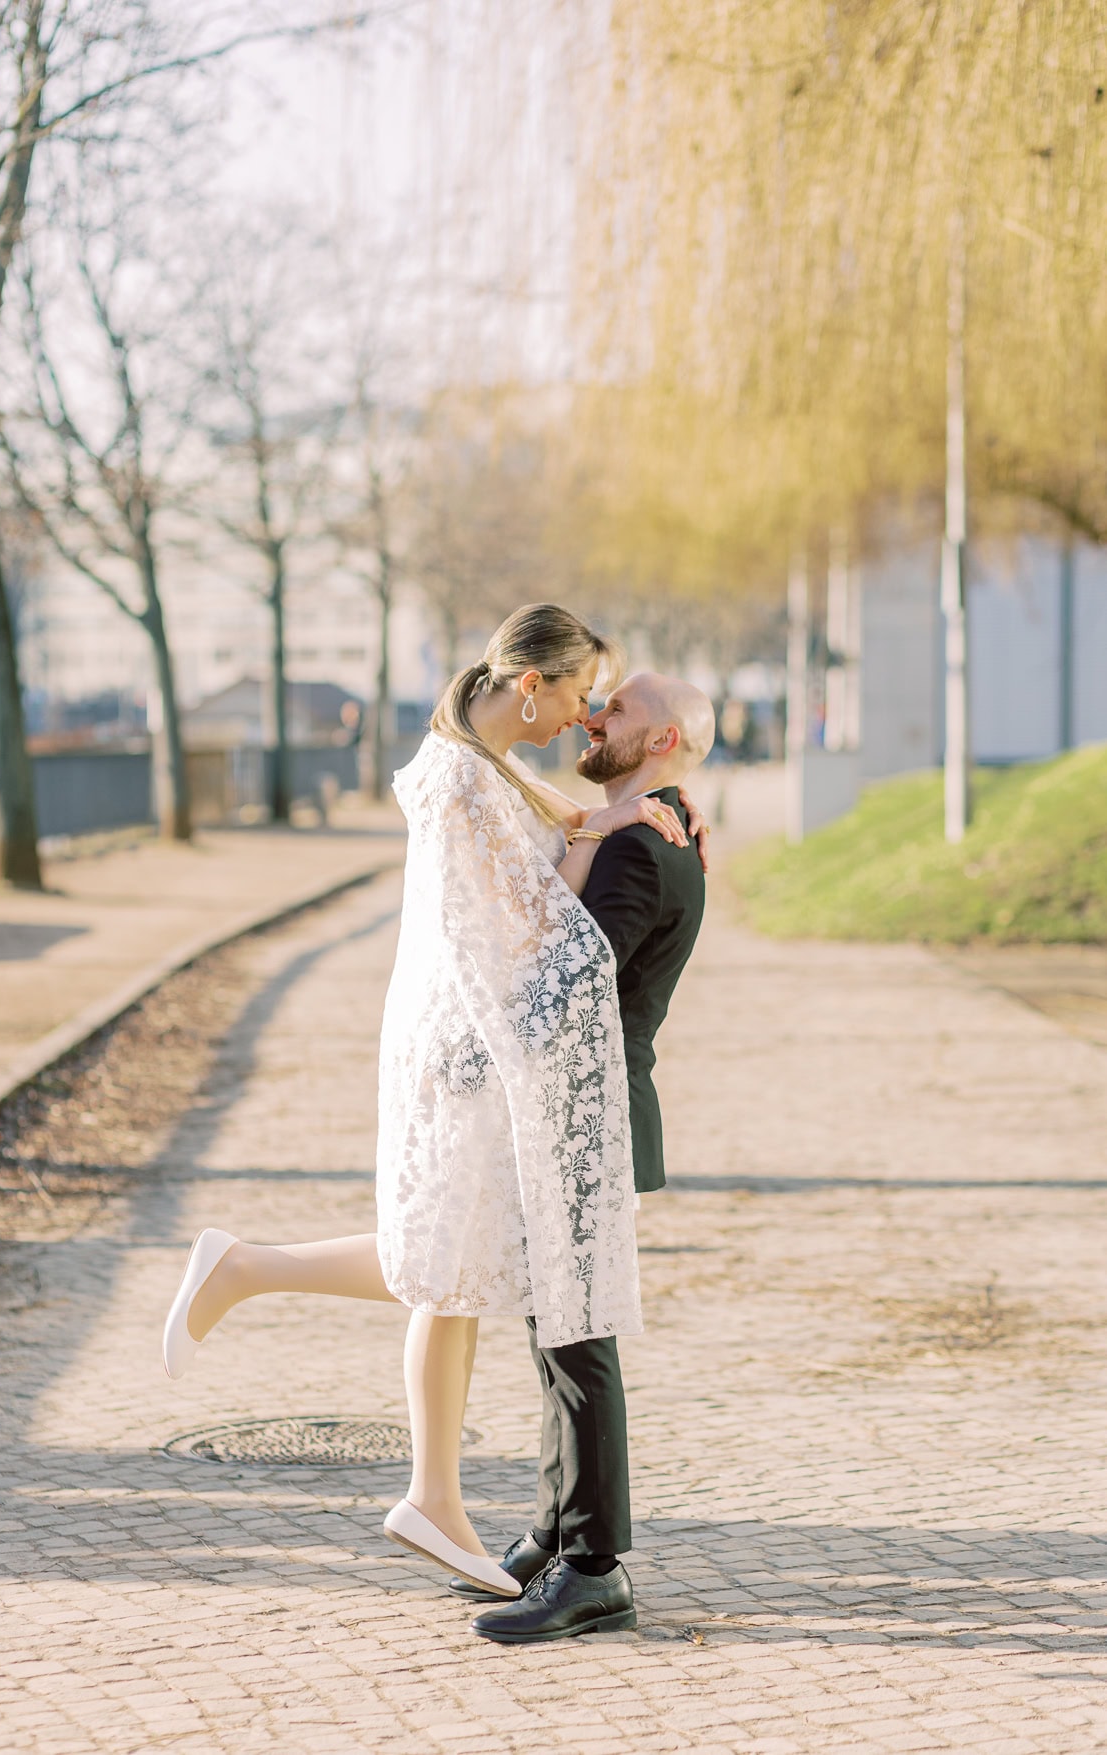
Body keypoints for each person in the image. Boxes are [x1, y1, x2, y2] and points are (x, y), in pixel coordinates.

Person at [161, 606, 710, 1602]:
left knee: (453, 1256)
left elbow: (565, 825)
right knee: (454, 1260)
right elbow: (533, 929)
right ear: (534, 684)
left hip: (475, 1043)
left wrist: (637, 814)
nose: (582, 718)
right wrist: (632, 832)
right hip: (469, 1048)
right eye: (582, 694)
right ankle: (446, 1502)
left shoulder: (482, 764)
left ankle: (256, 1283)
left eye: (605, 704)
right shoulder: (464, 776)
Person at [452, 671, 716, 1644]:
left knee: (578, 1340)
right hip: (583, 1112)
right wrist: (592, 828)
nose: (596, 716)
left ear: (663, 739)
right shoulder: (658, 824)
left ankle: (594, 1567)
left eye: (622, 711)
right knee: (557, 1334)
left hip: (584, 1113)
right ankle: (557, 1531)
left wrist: (469, 1041)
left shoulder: (640, 848)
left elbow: (565, 986)